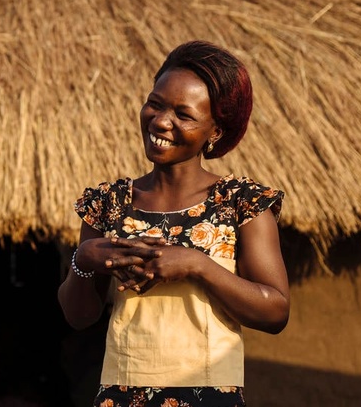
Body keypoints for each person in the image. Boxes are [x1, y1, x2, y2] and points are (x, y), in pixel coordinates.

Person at [58, 41, 289, 407]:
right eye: (156, 103)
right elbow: (79, 316)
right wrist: (84, 260)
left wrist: (197, 265)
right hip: (120, 394)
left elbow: (276, 311)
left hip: (211, 395)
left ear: (215, 131)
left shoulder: (240, 203)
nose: (161, 121)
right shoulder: (108, 204)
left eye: (184, 114)